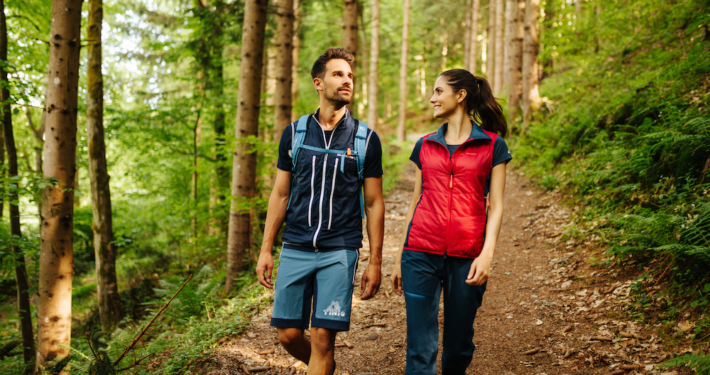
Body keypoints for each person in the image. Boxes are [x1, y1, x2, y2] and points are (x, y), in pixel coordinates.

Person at [256, 48, 385, 375]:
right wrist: (265, 249)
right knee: (288, 335)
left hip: (339, 250)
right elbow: (281, 193)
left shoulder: (365, 139)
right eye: (338, 74)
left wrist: (376, 261)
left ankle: (321, 362)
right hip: (296, 246)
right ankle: (322, 366)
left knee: (323, 340)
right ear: (318, 82)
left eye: (350, 76)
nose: (347, 81)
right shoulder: (295, 133)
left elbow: (373, 203)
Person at [390, 69, 511, 375]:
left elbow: (496, 206)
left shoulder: (493, 145)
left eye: (439, 91)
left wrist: (487, 255)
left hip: (467, 257)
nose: (432, 98)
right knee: (421, 347)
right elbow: (416, 201)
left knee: (458, 346)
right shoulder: (425, 144)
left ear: (460, 96)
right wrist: (399, 256)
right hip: (419, 253)